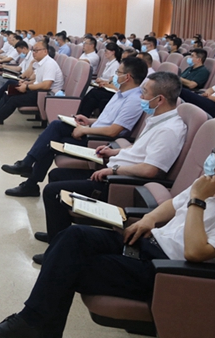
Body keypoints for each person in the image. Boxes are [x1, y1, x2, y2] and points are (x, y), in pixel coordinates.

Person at [0, 127, 215, 338]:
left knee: (67, 266)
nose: (210, 157)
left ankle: (32, 324)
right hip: (147, 243)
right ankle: (34, 325)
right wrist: (148, 219)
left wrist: (198, 201)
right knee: (72, 237)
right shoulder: (212, 183)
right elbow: (171, 205)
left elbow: (195, 252)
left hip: (166, 270)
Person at [35, 72, 186, 254]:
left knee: (53, 191)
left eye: (145, 92)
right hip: (113, 171)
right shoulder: (157, 118)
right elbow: (139, 149)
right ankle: (57, 237)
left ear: (159, 99)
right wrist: (114, 152)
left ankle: (57, 251)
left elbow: (150, 170)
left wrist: (114, 171)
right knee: (56, 175)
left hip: (120, 183)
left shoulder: (169, 130)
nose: (141, 97)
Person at [2, 58, 148, 197]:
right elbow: (107, 121)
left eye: (118, 72)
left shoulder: (133, 100)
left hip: (99, 142)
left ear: (127, 77)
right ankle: (28, 170)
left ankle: (29, 176)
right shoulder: (121, 94)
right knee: (56, 126)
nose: (115, 76)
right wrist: (89, 121)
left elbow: (113, 131)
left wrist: (85, 130)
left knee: (50, 142)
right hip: (93, 132)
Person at [0, 41, 63, 131]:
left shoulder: (49, 64)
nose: (34, 53)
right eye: (33, 50)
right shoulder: (40, 63)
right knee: (9, 93)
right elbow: (37, 80)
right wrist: (26, 83)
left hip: (45, 96)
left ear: (45, 51)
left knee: (13, 100)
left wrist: (27, 87)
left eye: (36, 50)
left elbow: (46, 85)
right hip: (38, 92)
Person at [76, 43, 123, 117]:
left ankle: (82, 114)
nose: (105, 53)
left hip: (110, 90)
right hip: (105, 86)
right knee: (92, 98)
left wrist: (103, 82)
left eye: (106, 51)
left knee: (93, 93)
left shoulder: (116, 65)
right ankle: (81, 114)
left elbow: (112, 81)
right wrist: (101, 80)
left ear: (113, 52)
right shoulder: (109, 63)